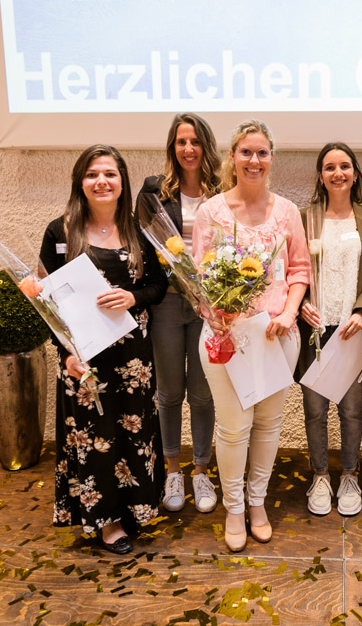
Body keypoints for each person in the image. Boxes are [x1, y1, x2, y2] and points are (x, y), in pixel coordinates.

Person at [40, 144, 168, 554]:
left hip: (132, 361)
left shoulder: (137, 230)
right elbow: (46, 304)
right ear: (80, 182)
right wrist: (66, 356)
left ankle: (134, 508)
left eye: (110, 174)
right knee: (95, 437)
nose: (102, 181)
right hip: (84, 359)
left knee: (133, 432)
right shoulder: (60, 233)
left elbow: (159, 286)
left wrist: (133, 297)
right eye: (93, 174)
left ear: (122, 182)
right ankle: (106, 520)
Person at [191, 119, 310, 552]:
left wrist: (290, 311)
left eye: (262, 152)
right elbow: (198, 277)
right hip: (226, 338)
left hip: (278, 337)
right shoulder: (211, 212)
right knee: (233, 427)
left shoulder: (288, 212)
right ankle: (234, 507)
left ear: (271, 158)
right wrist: (217, 314)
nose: (254, 160)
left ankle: (257, 503)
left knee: (268, 424)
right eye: (246, 152)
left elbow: (299, 271)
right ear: (232, 157)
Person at [139, 114, 221, 515]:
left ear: (206, 146)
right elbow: (144, 247)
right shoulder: (154, 191)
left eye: (195, 141)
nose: (188, 149)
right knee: (170, 392)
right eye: (181, 142)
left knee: (204, 394)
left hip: (209, 307)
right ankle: (173, 470)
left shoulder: (223, 191)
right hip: (168, 304)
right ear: (172, 147)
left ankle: (201, 470)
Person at [295, 143, 362, 517]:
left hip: (351, 330)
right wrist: (300, 303)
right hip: (314, 328)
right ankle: (319, 476)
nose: (338, 173)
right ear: (320, 176)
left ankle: (349, 475)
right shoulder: (304, 219)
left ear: (355, 173)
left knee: (351, 409)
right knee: (314, 410)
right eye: (329, 167)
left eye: (344, 166)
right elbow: (291, 270)